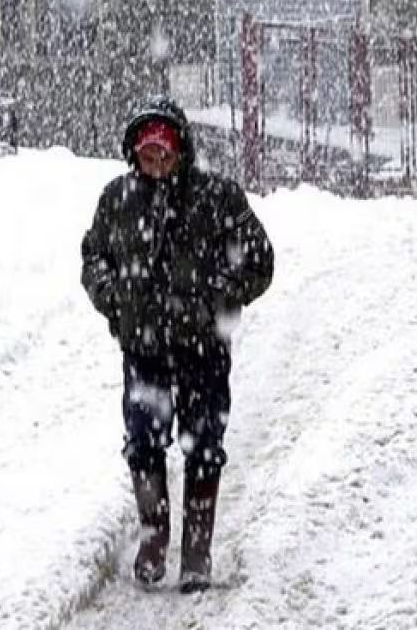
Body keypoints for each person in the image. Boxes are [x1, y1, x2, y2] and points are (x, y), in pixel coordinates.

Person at [79, 96, 274, 593]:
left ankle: (196, 552)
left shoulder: (217, 198)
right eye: (148, 156)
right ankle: (153, 536)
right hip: (143, 350)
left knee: (205, 447)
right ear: (134, 155)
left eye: (165, 155)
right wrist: (114, 300)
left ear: (182, 152)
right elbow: (94, 258)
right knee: (144, 443)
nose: (158, 165)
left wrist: (221, 298)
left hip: (204, 352)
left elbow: (259, 260)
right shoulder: (117, 201)